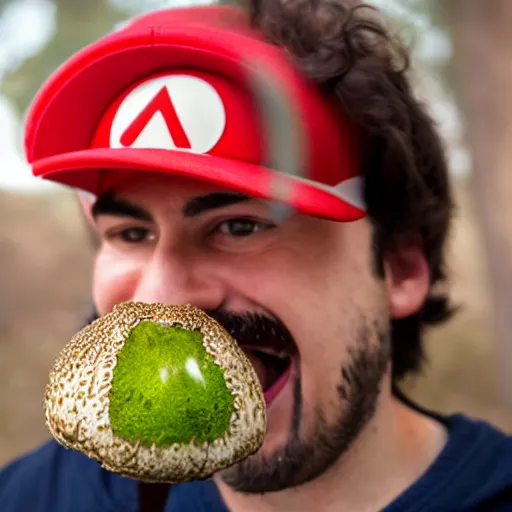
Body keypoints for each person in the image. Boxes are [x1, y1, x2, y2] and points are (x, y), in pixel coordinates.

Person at [1, 1, 511, 511]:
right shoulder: (38, 497)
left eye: (240, 226)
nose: (162, 297)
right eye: (133, 234)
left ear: (399, 268)